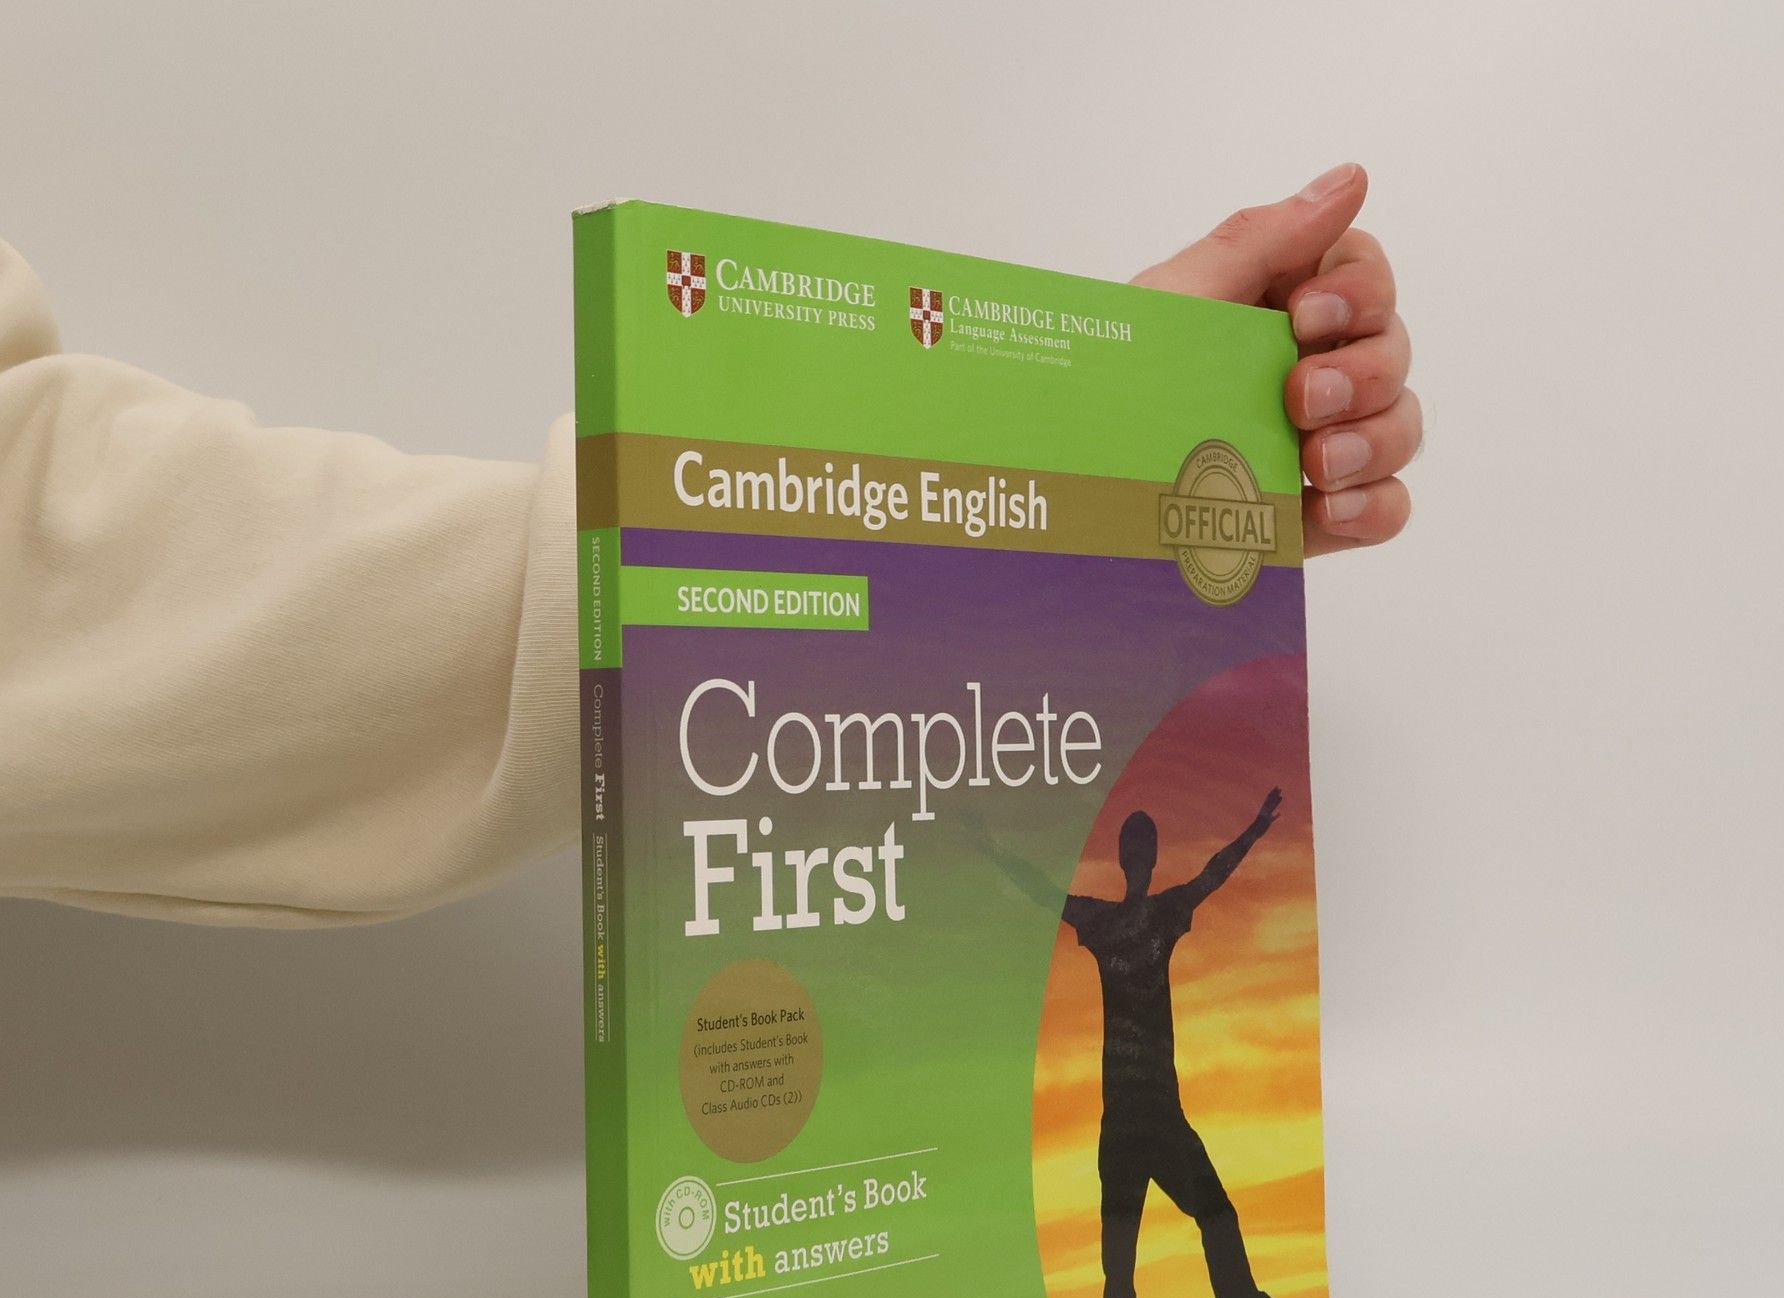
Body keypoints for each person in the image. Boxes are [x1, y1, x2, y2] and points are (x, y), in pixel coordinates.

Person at [0, 164, 1417, 927]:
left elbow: (62, 567)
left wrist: (1043, 483)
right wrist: (1004, 486)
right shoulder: (1119, 925)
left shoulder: (1128, 921)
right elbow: (59, 587)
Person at [1064, 791, 1284, 1298]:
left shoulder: (1122, 919)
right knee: (1139, 1258)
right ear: (1141, 858)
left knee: (1146, 1257)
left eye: (1141, 849)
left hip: (1140, 1122)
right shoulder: (1132, 918)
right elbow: (1211, 874)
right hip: (1144, 1121)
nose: (1140, 858)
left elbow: (1214, 873)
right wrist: (1256, 828)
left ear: (1136, 857)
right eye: (1139, 849)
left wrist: (1256, 828)